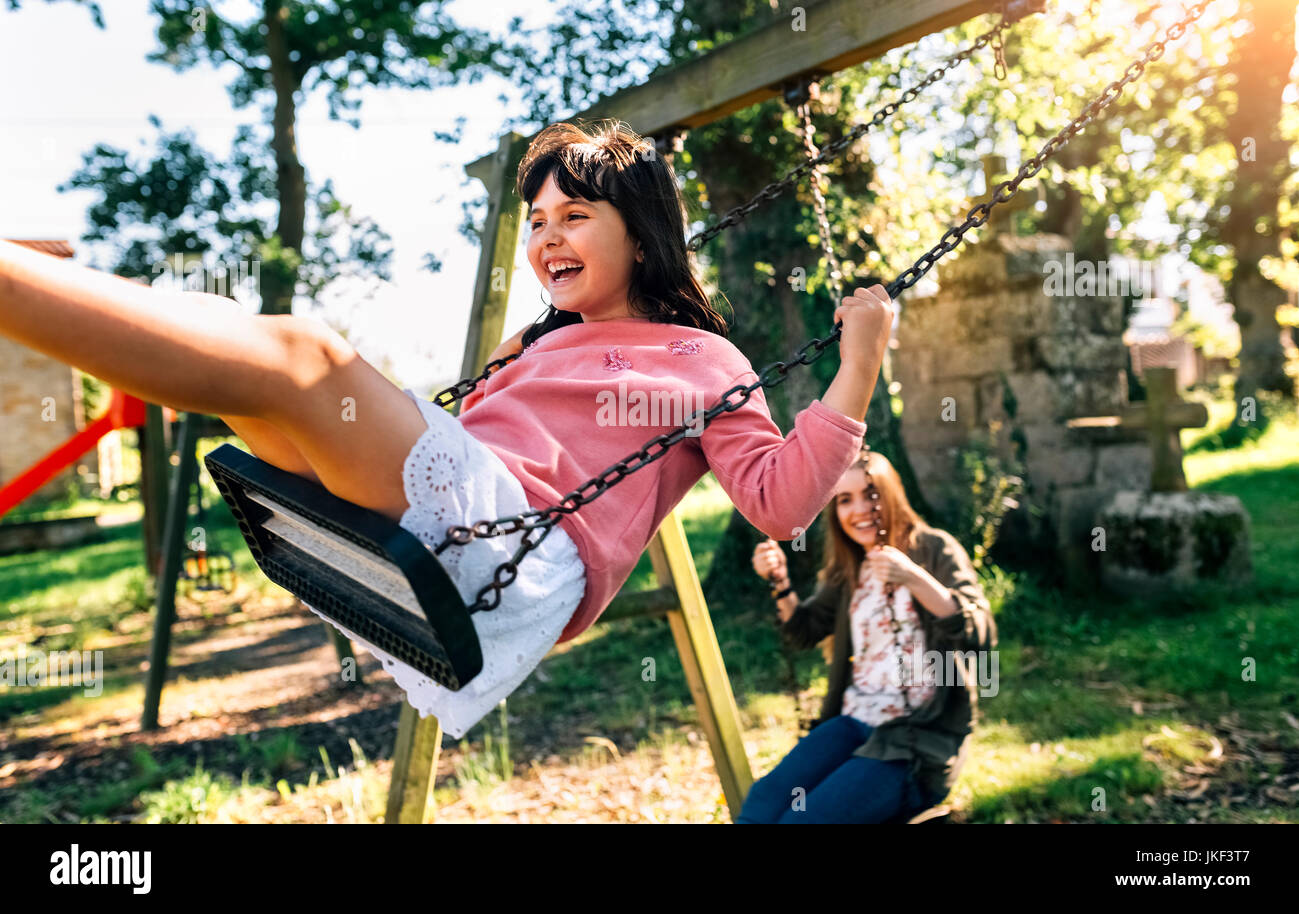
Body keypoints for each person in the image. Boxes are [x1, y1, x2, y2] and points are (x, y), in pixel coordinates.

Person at [0, 119, 893, 737]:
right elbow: (467, 430)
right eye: (538, 221)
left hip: (520, 555)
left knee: (299, 353)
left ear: (645, 233)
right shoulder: (539, 341)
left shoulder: (702, 361)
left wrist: (857, 367)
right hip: (464, 516)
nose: (548, 238)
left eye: (576, 215)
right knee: (231, 342)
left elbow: (779, 505)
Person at [737, 446, 996, 824]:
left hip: (917, 740)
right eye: (844, 500)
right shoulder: (849, 569)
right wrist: (780, 583)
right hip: (853, 722)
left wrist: (913, 577)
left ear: (890, 495)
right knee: (762, 804)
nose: (857, 510)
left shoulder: (933, 549)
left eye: (869, 496)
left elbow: (981, 633)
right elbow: (805, 630)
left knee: (803, 820)